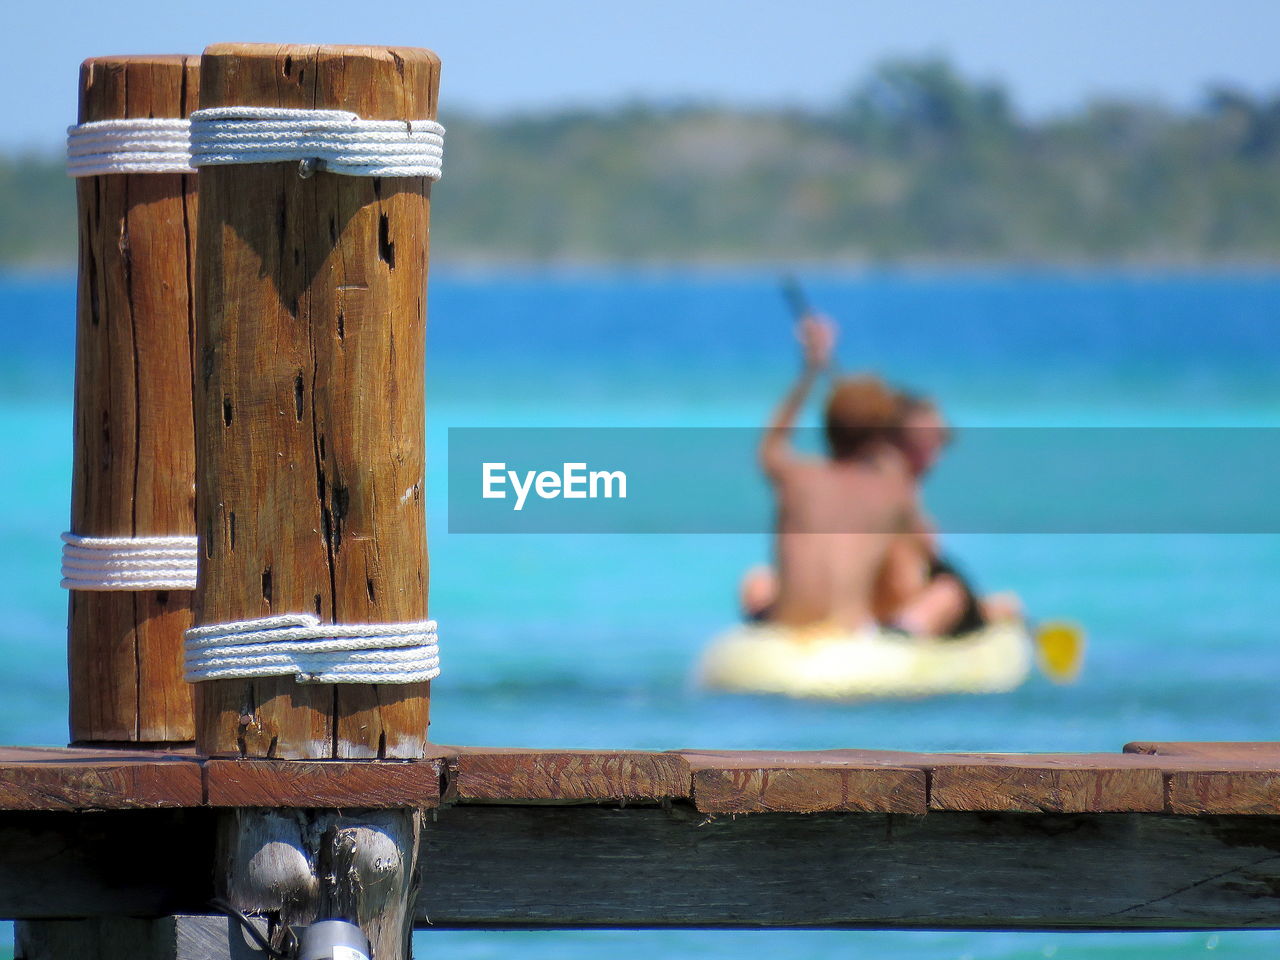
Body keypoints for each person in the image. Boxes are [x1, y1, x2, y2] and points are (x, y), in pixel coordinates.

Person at [741, 314, 919, 631]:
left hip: (787, 631)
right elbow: (923, 559)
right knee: (903, 565)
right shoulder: (891, 490)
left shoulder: (798, 479)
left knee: (755, 582)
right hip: (847, 637)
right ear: (880, 437)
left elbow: (771, 444)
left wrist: (809, 370)